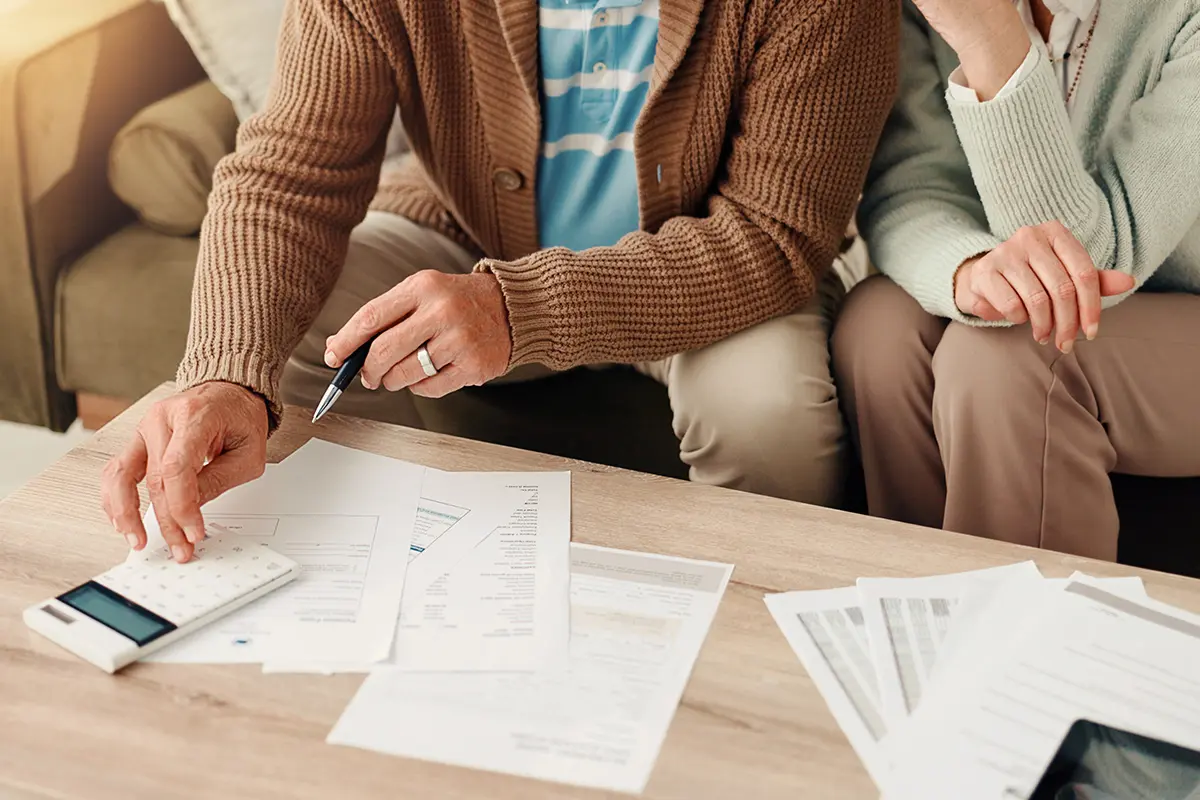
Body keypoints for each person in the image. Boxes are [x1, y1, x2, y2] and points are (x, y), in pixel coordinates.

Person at [100, 0, 900, 562]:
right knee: (309, 323)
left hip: (707, 272)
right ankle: (371, 578)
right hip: (466, 233)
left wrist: (521, 308)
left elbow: (775, 231)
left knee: (768, 411)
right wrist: (225, 375)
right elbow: (287, 177)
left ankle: (747, 635)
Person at [833, 0, 1200, 559]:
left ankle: (1034, 640)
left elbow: (1094, 261)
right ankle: (925, 605)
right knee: (879, 326)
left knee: (1017, 357)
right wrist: (970, 270)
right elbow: (913, 188)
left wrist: (990, 40)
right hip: (1085, 296)